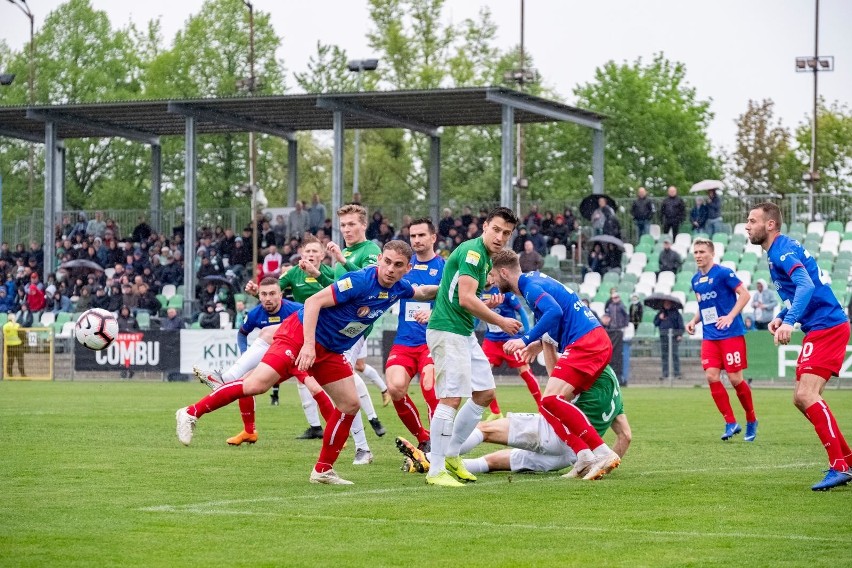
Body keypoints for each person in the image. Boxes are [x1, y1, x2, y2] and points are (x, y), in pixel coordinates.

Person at [176, 241, 438, 485]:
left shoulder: (399, 287)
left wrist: (452, 286)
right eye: (387, 262)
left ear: (407, 268)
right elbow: (313, 302)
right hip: (299, 336)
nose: (391, 269)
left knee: (349, 404)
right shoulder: (359, 281)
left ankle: (323, 470)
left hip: (331, 350)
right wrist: (309, 346)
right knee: (257, 385)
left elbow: (423, 291)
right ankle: (190, 413)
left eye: (398, 265)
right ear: (379, 259)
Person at [489, 250, 622, 481]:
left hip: (586, 343)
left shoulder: (529, 287)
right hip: (593, 341)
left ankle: (601, 451)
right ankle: (583, 455)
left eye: (492, 275)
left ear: (503, 272)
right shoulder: (534, 280)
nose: (490, 281)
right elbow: (556, 313)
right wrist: (539, 342)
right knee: (548, 404)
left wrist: (525, 339)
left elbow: (554, 311)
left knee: (550, 400)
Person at [746, 202, 852, 491]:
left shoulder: (782, 250)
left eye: (753, 220)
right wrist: (781, 315)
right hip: (821, 325)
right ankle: (847, 459)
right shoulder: (776, 252)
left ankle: (840, 465)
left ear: (770, 224)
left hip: (826, 326)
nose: (747, 226)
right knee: (802, 398)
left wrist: (789, 321)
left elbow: (806, 285)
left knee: (807, 394)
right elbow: (799, 291)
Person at [423, 207, 522, 488]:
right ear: (485, 226)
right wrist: (501, 320)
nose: (501, 236)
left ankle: (452, 454)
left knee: (485, 393)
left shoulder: (483, 258)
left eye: (507, 233)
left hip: (463, 332)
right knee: (451, 398)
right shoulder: (473, 253)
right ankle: (436, 469)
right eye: (497, 229)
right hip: (447, 330)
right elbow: (465, 298)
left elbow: (459, 293)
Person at [398, 366, 631, 476]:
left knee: (485, 429)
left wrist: (546, 344)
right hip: (570, 457)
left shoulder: (589, 372)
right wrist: (604, 468)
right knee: (493, 463)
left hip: (556, 435)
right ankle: (435, 465)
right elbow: (626, 436)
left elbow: (554, 393)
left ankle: (430, 458)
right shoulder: (615, 390)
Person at [326, 204, 390, 437]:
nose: (346, 229)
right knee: (344, 378)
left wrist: (342, 260)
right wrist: (317, 272)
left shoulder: (370, 249)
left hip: (356, 327)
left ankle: (362, 445)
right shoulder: (347, 252)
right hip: (337, 324)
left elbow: (371, 281)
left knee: (343, 381)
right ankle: (371, 425)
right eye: (343, 225)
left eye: (352, 224)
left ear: (363, 225)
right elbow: (338, 288)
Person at [685, 238, 757, 441]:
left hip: (730, 334)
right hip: (710, 336)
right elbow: (704, 307)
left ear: (712, 254)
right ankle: (730, 422)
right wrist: (694, 320)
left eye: (702, 252)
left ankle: (751, 419)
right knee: (711, 376)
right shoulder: (695, 280)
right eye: (696, 252)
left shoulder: (724, 273)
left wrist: (730, 316)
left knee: (735, 379)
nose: (698, 255)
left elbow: (744, 295)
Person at [222, 277, 303, 446]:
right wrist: (245, 354)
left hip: (298, 357)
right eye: (264, 294)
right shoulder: (254, 314)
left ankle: (336, 432)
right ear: (258, 296)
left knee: (318, 387)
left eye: (272, 293)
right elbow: (242, 333)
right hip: (273, 359)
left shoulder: (296, 309)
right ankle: (249, 431)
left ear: (281, 295)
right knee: (245, 382)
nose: (268, 298)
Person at [386, 218, 443, 452]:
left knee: (429, 387)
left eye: (421, 235)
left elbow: (456, 301)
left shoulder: (445, 267)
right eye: (413, 236)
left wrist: (434, 314)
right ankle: (424, 438)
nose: (417, 240)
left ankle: (440, 447)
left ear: (433, 237)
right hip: (404, 342)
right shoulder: (402, 267)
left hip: (433, 341)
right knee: (395, 387)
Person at [479, 284, 538, 422]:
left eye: (490, 273)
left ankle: (542, 407)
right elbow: (477, 315)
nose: (487, 275)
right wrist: (472, 328)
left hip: (509, 338)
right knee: (483, 372)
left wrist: (527, 334)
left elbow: (522, 311)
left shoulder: (504, 293)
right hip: (491, 340)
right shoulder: (478, 291)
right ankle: (496, 412)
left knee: (524, 370)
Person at [654, 300, 684, 379]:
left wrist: (679, 334)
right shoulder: (660, 313)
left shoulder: (676, 313)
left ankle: (677, 374)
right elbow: (655, 323)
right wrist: (660, 318)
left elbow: (681, 325)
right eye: (665, 303)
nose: (666, 304)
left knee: (675, 355)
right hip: (663, 336)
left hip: (673, 337)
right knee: (664, 356)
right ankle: (665, 374)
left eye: (668, 303)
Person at [3, 313, 25, 377]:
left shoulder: (4, 326)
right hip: (18, 345)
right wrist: (23, 342)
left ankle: (9, 373)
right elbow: (22, 335)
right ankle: (22, 374)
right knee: (20, 360)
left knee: (10, 360)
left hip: (8, 345)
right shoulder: (17, 325)